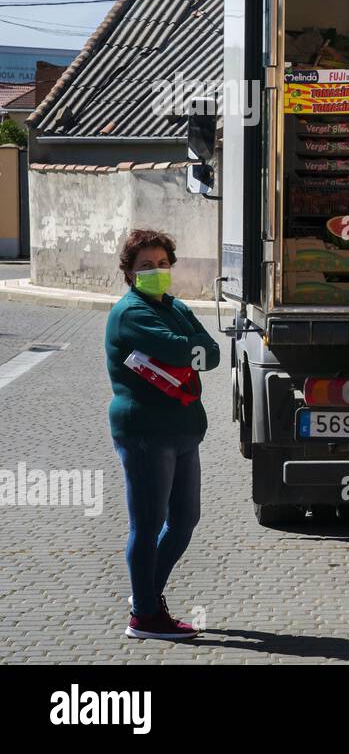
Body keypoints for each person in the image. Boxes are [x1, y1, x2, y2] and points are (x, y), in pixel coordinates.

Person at [104, 229, 221, 639]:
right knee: (149, 524)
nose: (157, 271)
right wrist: (187, 347)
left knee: (185, 520)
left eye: (162, 264)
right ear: (130, 273)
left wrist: (187, 346)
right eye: (146, 266)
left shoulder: (175, 306)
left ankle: (146, 596)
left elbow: (213, 353)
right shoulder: (130, 312)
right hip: (146, 432)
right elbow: (180, 351)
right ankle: (145, 616)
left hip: (184, 429)